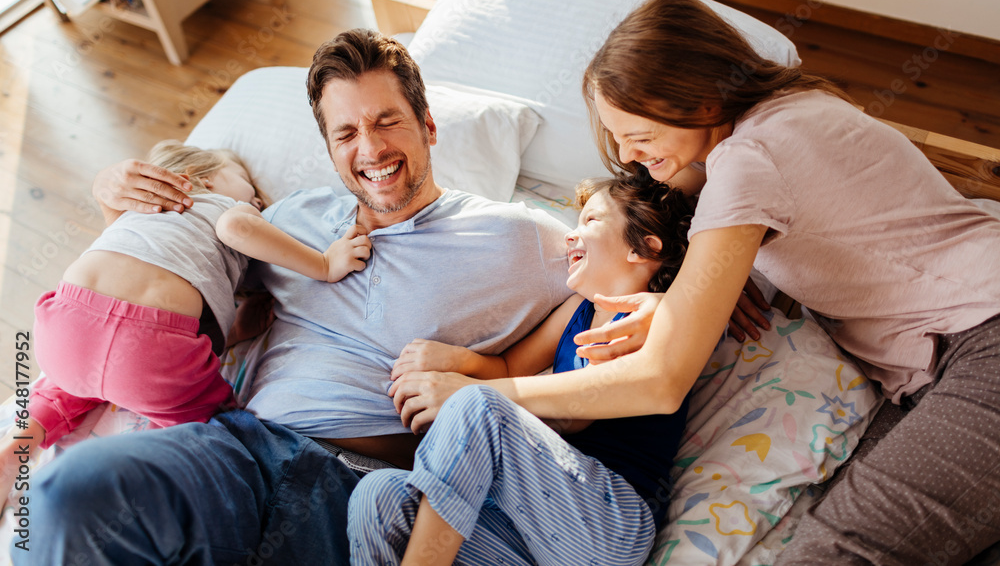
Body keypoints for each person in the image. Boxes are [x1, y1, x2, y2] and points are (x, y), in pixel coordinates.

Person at [391, 0, 1000, 566]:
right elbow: (669, 202)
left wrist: (479, 400)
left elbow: (659, 380)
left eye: (640, 136)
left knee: (836, 549)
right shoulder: (776, 118)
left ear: (701, 101)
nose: (629, 156)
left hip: (984, 334)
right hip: (932, 361)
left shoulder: (747, 161)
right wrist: (699, 285)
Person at [15, 29, 573, 565]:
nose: (371, 147)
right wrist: (110, 198)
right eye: (347, 133)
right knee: (63, 495)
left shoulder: (511, 237)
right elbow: (152, 285)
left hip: (353, 491)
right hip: (235, 453)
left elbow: (619, 276)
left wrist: (493, 368)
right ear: (330, 150)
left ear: (427, 126)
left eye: (388, 122)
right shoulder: (287, 219)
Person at [0, 139, 375, 501]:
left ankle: (22, 440)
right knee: (220, 431)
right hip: (148, 350)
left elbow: (131, 282)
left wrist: (236, 328)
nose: (258, 200)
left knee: (65, 384)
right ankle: (135, 490)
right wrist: (324, 264)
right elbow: (238, 230)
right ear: (204, 177)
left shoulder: (137, 213)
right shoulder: (223, 204)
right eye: (249, 186)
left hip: (63, 324)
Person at [348, 173, 693, 565]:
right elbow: (512, 366)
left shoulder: (651, 321)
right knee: (379, 497)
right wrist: (457, 360)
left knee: (477, 404)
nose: (571, 235)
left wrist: (462, 397)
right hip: (531, 530)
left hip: (606, 523)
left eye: (592, 221)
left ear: (644, 246)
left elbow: (571, 417)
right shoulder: (579, 309)